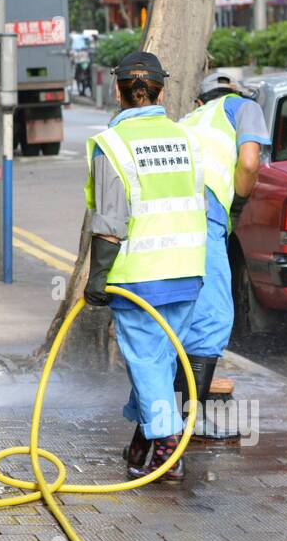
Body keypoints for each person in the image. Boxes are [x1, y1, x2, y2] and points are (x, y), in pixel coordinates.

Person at [83, 52, 207, 482]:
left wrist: (96, 279)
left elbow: (110, 221)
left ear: (117, 91)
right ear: (162, 89)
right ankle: (145, 438)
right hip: (188, 269)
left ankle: (169, 445)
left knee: (146, 362)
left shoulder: (112, 145)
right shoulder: (188, 139)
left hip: (139, 275)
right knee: (159, 360)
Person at [175, 71, 270, 439]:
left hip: (167, 216)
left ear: (200, 100)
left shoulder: (187, 120)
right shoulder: (242, 107)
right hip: (205, 212)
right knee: (212, 317)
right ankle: (190, 423)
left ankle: (167, 422)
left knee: (179, 316)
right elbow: (249, 163)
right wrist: (237, 205)